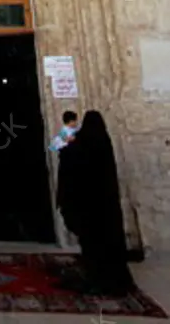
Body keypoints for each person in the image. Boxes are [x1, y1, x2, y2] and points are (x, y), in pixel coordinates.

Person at [56, 110, 135, 296]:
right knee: (108, 245)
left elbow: (71, 164)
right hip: (106, 210)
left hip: (88, 209)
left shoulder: (81, 146)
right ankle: (111, 280)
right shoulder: (103, 145)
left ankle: (97, 280)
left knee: (93, 245)